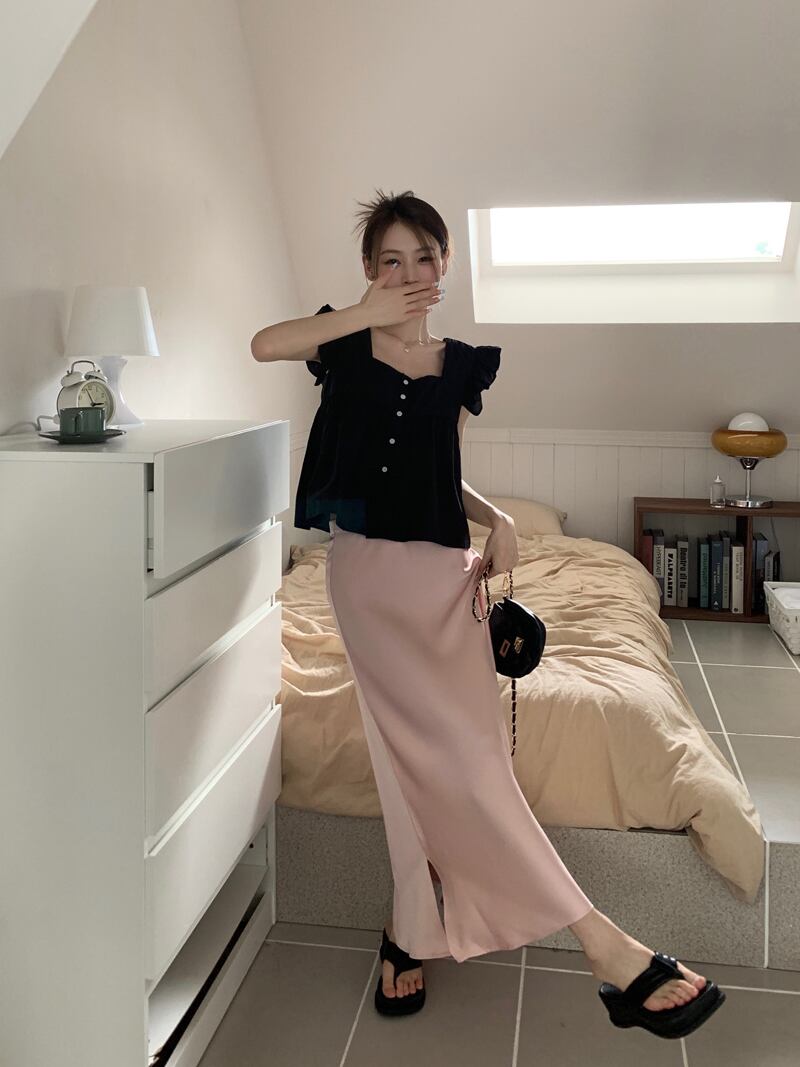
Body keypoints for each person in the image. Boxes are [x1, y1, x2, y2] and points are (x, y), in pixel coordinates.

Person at [250, 190, 725, 1039]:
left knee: (455, 759)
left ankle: (408, 929)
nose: (409, 273)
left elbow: (440, 469)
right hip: (368, 581)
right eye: (391, 259)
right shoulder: (341, 344)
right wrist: (364, 313)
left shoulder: (462, 366)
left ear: (447, 265)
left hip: (447, 580)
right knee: (438, 761)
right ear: (369, 269)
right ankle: (604, 943)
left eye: (424, 257)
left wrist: (498, 516)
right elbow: (263, 344)